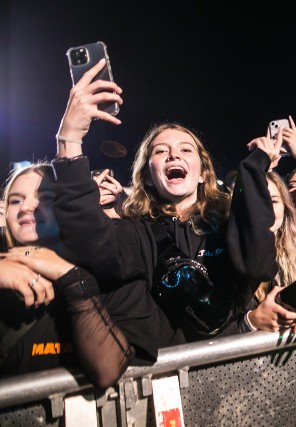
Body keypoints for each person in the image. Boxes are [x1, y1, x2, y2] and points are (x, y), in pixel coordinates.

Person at [51, 59, 279, 349]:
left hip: (234, 374)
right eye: (161, 151)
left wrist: (255, 167)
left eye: (185, 149)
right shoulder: (135, 233)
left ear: (203, 174)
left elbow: (258, 263)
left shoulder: (224, 224)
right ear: (146, 177)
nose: (174, 156)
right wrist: (70, 138)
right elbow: (87, 242)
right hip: (168, 383)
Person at [0, 163, 142, 389]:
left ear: (69, 207)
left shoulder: (107, 268)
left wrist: (71, 277)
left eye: (44, 198)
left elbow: (107, 371)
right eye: (15, 200)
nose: (26, 207)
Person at [224, 171, 296, 347]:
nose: (266, 210)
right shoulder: (225, 256)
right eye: (256, 201)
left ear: (285, 206)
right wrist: (251, 322)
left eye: (273, 201)